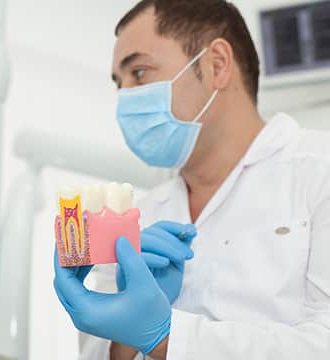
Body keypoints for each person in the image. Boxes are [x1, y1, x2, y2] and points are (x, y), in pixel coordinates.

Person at [53, 0, 330, 359]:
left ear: (217, 65)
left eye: (138, 73)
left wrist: (165, 336)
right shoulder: (141, 212)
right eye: (118, 85)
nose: (124, 99)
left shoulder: (319, 172)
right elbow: (96, 354)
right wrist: (121, 337)